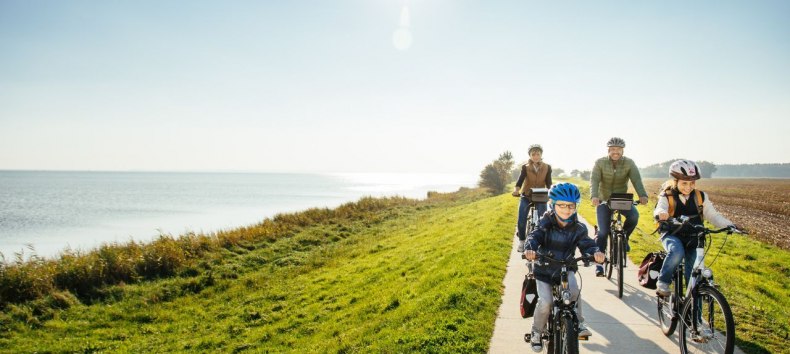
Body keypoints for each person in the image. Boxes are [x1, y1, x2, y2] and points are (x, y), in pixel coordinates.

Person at [524, 182, 605, 352]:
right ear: (553, 205)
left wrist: (596, 252)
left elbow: (587, 244)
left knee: (574, 290)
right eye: (562, 205)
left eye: (571, 206)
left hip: (566, 268)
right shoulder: (545, 223)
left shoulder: (579, 228)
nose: (567, 210)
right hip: (544, 269)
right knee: (546, 302)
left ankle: (579, 322)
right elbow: (535, 235)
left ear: (576, 206)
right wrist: (530, 248)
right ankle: (537, 331)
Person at [654, 159, 741, 297]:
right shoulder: (667, 195)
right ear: (675, 181)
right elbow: (660, 209)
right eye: (684, 183)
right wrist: (661, 214)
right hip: (672, 234)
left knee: (694, 278)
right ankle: (663, 282)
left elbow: (712, 215)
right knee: (677, 251)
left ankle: (695, 315)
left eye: (692, 183)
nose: (688, 187)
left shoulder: (700, 196)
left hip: (694, 238)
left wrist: (730, 225)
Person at [590, 137, 648, 277]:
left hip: (621, 199)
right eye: (613, 149)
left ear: (622, 150)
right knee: (603, 232)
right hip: (604, 200)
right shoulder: (600, 162)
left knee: (634, 216)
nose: (616, 152)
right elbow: (594, 180)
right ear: (609, 150)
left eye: (618, 149)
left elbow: (636, 179)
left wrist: (642, 194)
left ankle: (625, 238)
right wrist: (594, 196)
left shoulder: (629, 163)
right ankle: (599, 264)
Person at [512, 144, 553, 252]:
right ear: (530, 156)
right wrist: (516, 190)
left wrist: (552, 193)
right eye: (533, 154)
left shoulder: (547, 167)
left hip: (541, 195)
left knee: (543, 220)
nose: (535, 156)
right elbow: (520, 180)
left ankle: (540, 241)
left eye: (538, 154)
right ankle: (521, 241)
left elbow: (549, 183)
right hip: (526, 195)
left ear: (541, 155)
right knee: (521, 219)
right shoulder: (525, 167)